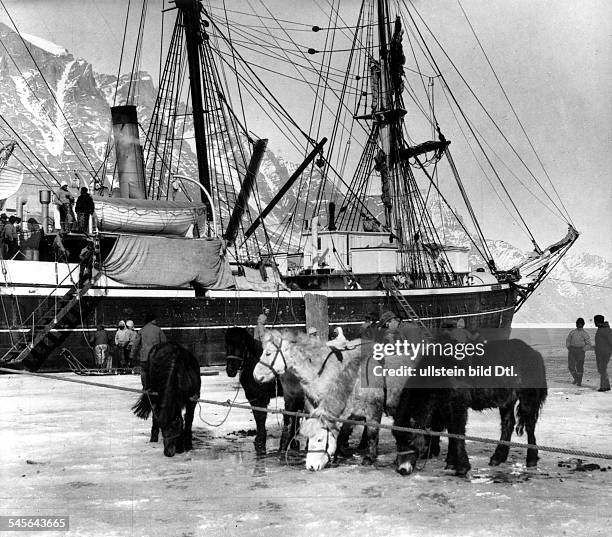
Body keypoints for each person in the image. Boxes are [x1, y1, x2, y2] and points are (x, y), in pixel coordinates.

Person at [130, 312, 167, 389]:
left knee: (144, 372)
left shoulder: (142, 330)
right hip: (155, 356)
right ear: (153, 320)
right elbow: (165, 344)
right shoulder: (158, 330)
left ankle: (145, 388)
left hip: (144, 357)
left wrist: (132, 355)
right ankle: (154, 388)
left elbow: (135, 344)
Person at [565, 317, 591, 386]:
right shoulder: (572, 332)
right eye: (578, 323)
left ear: (583, 324)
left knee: (579, 366)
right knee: (571, 367)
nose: (579, 325)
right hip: (572, 351)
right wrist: (569, 347)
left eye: (581, 324)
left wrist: (583, 350)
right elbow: (568, 341)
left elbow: (588, 344)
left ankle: (579, 381)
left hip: (581, 351)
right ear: (576, 324)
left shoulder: (585, 334)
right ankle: (576, 378)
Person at [593, 315, 612, 392]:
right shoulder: (602, 329)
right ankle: (606, 385)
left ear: (598, 321)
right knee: (602, 369)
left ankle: (604, 386)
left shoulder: (606, 330)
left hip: (604, 353)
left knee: (602, 369)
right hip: (601, 353)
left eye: (595, 321)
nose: (594, 323)